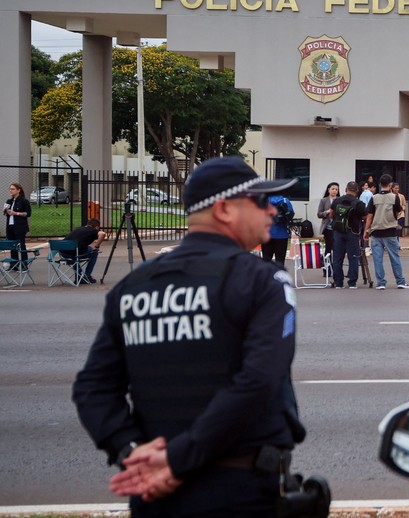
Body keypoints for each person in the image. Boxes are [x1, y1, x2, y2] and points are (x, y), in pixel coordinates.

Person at [72, 156, 307, 516]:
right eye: (261, 201)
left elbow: (93, 387)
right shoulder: (261, 280)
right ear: (224, 209)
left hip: (155, 491)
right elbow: (259, 380)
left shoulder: (134, 286)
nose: (272, 211)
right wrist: (177, 460)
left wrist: (130, 451)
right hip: (237, 492)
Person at [364, 174, 409, 290]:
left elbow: (369, 216)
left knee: (377, 259)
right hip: (390, 231)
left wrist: (366, 231)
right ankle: (400, 281)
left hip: (376, 232)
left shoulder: (374, 198)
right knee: (394, 257)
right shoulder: (395, 198)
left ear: (380, 184)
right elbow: (398, 212)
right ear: (390, 185)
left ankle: (380, 283)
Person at [330, 181, 367, 289]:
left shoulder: (337, 201)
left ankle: (338, 283)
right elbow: (366, 217)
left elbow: (331, 214)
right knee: (353, 258)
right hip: (353, 233)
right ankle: (352, 283)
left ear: (346, 189)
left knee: (337, 258)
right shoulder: (358, 203)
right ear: (357, 191)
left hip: (338, 232)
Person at [64, 217, 108, 284]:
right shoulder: (92, 231)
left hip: (64, 252)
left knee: (75, 255)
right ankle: (87, 276)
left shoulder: (77, 229)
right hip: (76, 251)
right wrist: (97, 246)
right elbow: (102, 234)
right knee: (94, 252)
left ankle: (78, 276)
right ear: (96, 227)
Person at [260, 194, 294, 268]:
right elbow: (291, 213)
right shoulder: (285, 200)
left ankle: (266, 274)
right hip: (282, 234)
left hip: (267, 234)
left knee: (266, 260)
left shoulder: (264, 200)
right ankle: (279, 274)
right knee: (280, 261)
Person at [4, 183, 32, 270]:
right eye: (10, 189)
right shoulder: (9, 201)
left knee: (21, 245)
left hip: (20, 227)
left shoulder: (24, 201)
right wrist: (5, 211)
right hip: (10, 226)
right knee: (12, 245)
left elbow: (28, 213)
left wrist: (16, 213)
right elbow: (6, 213)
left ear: (18, 190)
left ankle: (24, 264)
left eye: (13, 189)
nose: (10, 191)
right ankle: (14, 264)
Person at [315, 182, 340, 251]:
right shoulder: (323, 200)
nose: (334, 191)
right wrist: (326, 212)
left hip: (337, 226)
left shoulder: (340, 200)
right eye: (333, 189)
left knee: (337, 246)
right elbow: (319, 214)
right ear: (329, 190)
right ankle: (328, 257)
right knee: (328, 245)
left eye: (336, 189)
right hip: (327, 227)